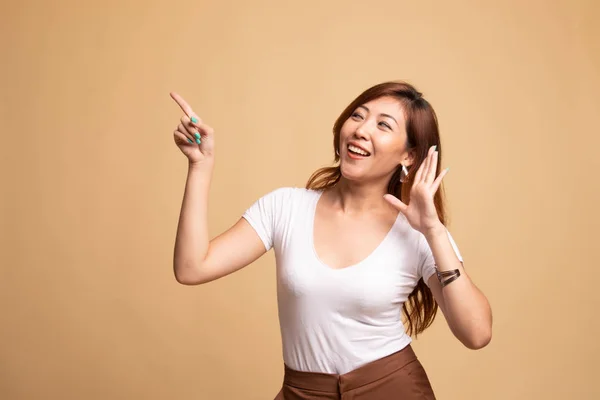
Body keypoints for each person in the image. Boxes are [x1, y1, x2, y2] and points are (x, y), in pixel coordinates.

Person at [170, 81, 493, 399]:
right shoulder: (286, 207)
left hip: (391, 387)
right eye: (358, 116)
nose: (361, 130)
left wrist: (434, 232)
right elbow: (192, 269)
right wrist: (200, 165)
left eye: (383, 125)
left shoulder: (418, 231)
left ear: (408, 155)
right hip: (303, 390)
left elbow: (476, 334)